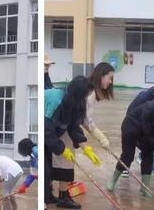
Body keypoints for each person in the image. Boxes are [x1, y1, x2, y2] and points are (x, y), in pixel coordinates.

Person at [107, 93, 154, 196]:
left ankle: (144, 188)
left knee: (148, 156)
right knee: (127, 156)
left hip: (148, 133)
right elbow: (148, 132)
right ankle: (112, 181)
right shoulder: (151, 109)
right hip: (132, 126)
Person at [45, 76, 101, 209]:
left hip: (54, 130)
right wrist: (62, 149)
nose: (86, 99)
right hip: (46, 131)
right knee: (46, 168)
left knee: (54, 165)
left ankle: (61, 197)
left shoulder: (76, 103)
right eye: (85, 95)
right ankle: (47, 196)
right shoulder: (56, 101)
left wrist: (85, 147)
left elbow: (74, 126)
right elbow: (47, 131)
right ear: (78, 94)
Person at [84, 62, 115, 150]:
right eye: (109, 78)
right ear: (101, 75)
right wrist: (102, 139)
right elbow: (87, 122)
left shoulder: (88, 87)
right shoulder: (90, 93)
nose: (110, 81)